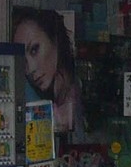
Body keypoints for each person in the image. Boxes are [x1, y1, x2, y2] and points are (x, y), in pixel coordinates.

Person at [12, 8, 83, 136]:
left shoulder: (76, 91)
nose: (30, 69)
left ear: (55, 40)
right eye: (23, 60)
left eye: (34, 50)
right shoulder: (30, 98)